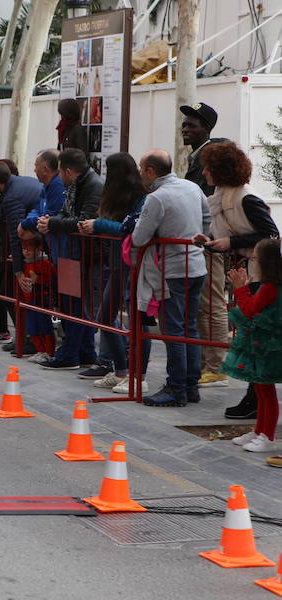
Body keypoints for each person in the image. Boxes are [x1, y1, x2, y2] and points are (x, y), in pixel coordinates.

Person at [193, 141, 279, 418]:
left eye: (208, 167)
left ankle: (256, 402)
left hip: (260, 276)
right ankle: (253, 399)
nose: (204, 172)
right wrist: (210, 242)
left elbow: (272, 236)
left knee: (256, 341)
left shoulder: (245, 198)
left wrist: (231, 241)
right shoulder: (223, 197)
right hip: (248, 274)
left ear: (221, 170)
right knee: (251, 340)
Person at [132, 149, 210, 407]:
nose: (141, 174)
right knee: (189, 327)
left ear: (151, 171)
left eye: (142, 169)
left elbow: (139, 238)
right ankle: (190, 384)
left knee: (174, 330)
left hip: (173, 270)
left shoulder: (156, 198)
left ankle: (177, 387)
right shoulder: (191, 187)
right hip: (197, 266)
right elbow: (207, 220)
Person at [77, 152, 149, 392]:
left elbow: (131, 229)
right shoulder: (117, 196)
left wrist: (99, 225)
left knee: (139, 322)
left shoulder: (141, 196)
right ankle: (121, 370)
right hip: (116, 263)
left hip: (133, 265)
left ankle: (137, 376)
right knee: (105, 316)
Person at [37, 148, 102, 369]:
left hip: (84, 254)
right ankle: (82, 351)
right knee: (71, 304)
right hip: (72, 252)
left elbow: (84, 220)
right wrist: (51, 220)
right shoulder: (75, 184)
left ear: (66, 170)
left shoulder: (93, 185)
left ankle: (72, 353)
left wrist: (52, 224)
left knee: (77, 307)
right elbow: (66, 213)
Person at [222, 238, 282, 456]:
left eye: (255, 256)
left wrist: (239, 289)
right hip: (263, 342)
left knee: (265, 390)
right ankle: (259, 430)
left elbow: (248, 310)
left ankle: (267, 436)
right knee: (260, 388)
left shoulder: (270, 287)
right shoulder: (270, 285)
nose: (251, 259)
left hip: (268, 344)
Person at [0, 160, 43, 343]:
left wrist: (17, 270)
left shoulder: (12, 196)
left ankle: (27, 338)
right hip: (36, 247)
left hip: (34, 251)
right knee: (10, 293)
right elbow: (4, 212)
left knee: (11, 292)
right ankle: (25, 336)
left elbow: (16, 235)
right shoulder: (18, 184)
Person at [19, 234, 56, 360]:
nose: (26, 252)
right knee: (32, 326)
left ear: (39, 249)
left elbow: (51, 278)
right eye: (24, 249)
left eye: (29, 249)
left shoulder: (44, 263)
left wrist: (38, 279)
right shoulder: (26, 263)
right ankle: (40, 350)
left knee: (44, 325)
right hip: (30, 299)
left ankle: (49, 352)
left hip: (41, 299)